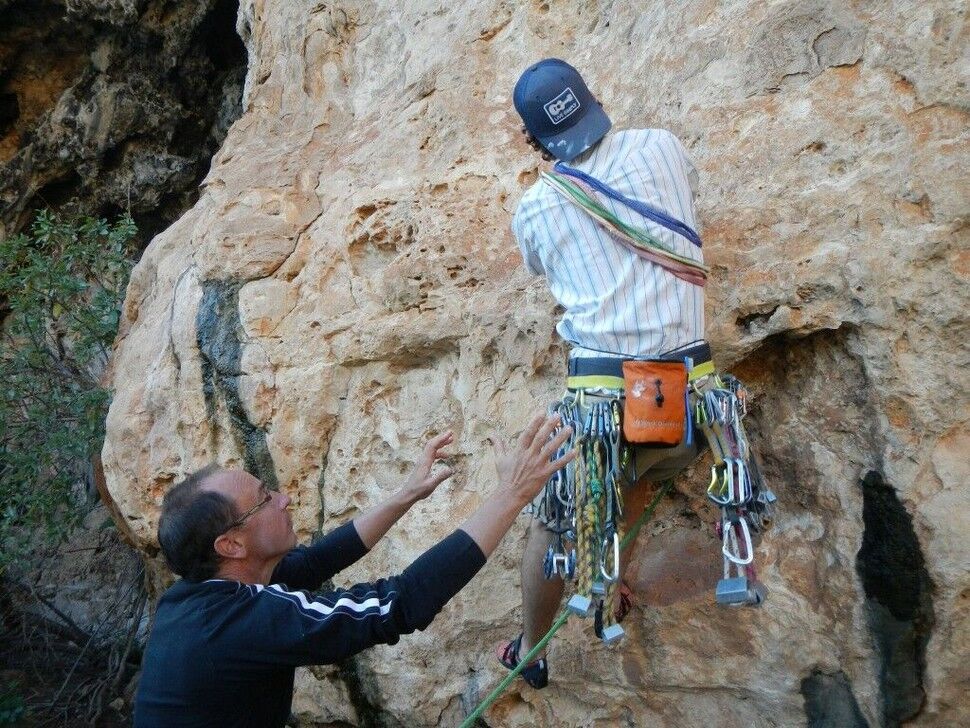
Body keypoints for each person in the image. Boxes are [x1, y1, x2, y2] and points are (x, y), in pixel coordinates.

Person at [134, 414, 574, 727]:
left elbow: (314, 562)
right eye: (265, 498)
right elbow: (396, 605)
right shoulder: (240, 622)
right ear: (230, 544)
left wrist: (405, 495)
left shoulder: (200, 595)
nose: (284, 498)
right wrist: (512, 495)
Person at [497, 58, 713, 689]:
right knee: (643, 466)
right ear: (593, 99)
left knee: (552, 512)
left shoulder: (537, 208)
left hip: (609, 403)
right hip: (689, 402)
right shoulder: (662, 147)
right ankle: (609, 574)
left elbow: (540, 269)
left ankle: (532, 651)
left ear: (533, 140)